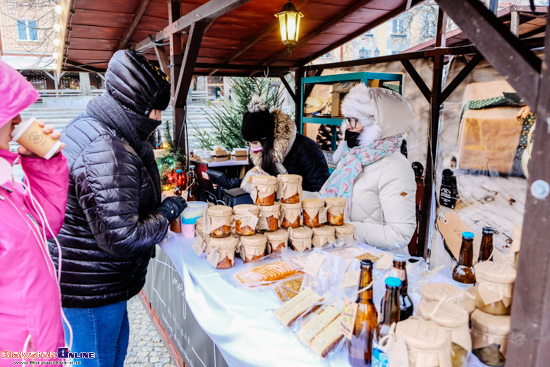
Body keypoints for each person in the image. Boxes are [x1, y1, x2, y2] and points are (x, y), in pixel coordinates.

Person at [49, 49, 187, 366]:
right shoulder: (108, 148)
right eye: (155, 110)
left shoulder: (93, 125)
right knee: (98, 359)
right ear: (138, 106)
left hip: (85, 278)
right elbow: (122, 237)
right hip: (91, 286)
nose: (159, 118)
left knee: (108, 353)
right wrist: (165, 214)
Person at [0, 60, 67, 365]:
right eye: (9, 112)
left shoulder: (6, 185)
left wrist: (43, 164)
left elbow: (44, 224)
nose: (17, 121)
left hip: (39, 345)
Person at [320, 83, 416, 249]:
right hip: (344, 255)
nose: (348, 126)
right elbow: (326, 199)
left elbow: (399, 233)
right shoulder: (351, 158)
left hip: (376, 264)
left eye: (354, 120)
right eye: (347, 119)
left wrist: (343, 229)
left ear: (377, 126)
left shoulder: (396, 168)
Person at [241, 96, 329, 192]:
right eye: (249, 143)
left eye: (255, 142)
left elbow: (321, 188)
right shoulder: (263, 154)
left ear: (268, 139)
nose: (252, 148)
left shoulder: (306, 148)